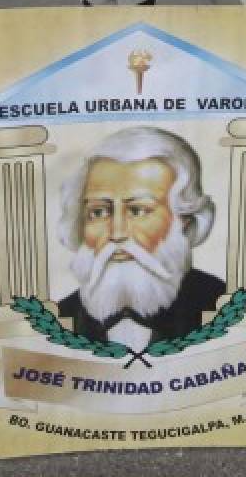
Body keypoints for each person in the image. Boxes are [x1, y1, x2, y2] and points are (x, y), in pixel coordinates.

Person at [55, 127, 224, 350]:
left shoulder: (224, 308)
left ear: (185, 220)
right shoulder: (60, 320)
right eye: (99, 212)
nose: (117, 233)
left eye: (138, 211)